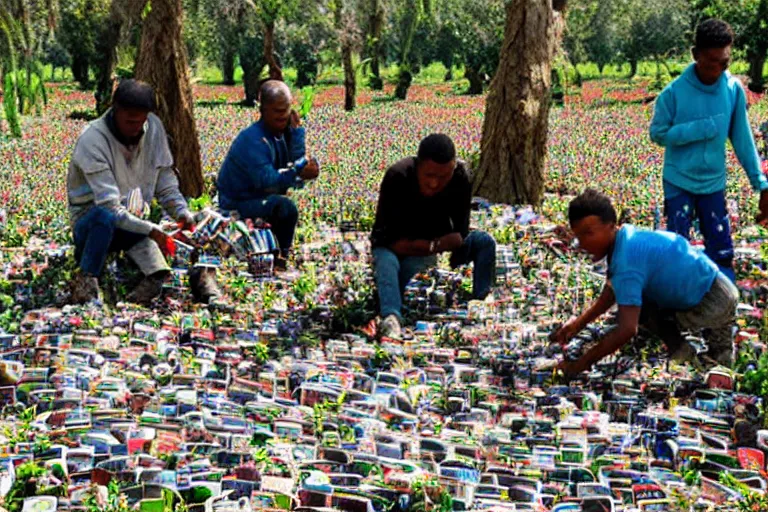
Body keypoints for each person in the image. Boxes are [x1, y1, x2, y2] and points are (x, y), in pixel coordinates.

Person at [553, 189, 738, 377]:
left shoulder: (627, 261)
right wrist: (578, 324)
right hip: (718, 286)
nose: (583, 243)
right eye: (579, 236)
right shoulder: (627, 238)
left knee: (636, 312)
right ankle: (695, 355)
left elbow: (626, 330)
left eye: (588, 233)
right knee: (720, 366)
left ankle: (683, 350)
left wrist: (579, 366)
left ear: (610, 226)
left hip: (710, 302)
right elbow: (612, 291)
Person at [68, 79, 219, 305]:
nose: (135, 127)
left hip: (131, 219)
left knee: (149, 228)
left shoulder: (154, 128)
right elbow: (109, 206)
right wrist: (152, 230)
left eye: (140, 121)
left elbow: (164, 179)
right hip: (91, 225)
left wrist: (181, 212)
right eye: (129, 121)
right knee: (105, 217)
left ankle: (154, 279)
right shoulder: (92, 139)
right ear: (114, 110)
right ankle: (87, 280)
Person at [650, 18, 768, 283]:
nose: (717, 69)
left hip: (713, 183)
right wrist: (697, 129)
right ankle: (679, 306)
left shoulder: (732, 89)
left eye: (724, 63)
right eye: (711, 61)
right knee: (678, 249)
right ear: (696, 55)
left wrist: (761, 183)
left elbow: (742, 139)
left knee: (722, 249)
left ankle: (720, 309)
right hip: (678, 180)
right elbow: (657, 133)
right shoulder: (674, 93)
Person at [370, 134, 496, 338]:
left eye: (443, 177)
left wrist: (444, 247)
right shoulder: (398, 176)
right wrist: (432, 246)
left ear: (453, 168)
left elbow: (460, 233)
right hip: (401, 248)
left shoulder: (460, 176)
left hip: (435, 244)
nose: (434, 184)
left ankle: (480, 303)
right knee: (387, 262)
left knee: (484, 242)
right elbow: (385, 240)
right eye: (429, 175)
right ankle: (391, 318)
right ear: (418, 166)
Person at [217, 80, 320, 269]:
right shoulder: (253, 139)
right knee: (284, 207)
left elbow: (295, 165)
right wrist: (298, 171)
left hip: (258, 198)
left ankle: (278, 258)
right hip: (236, 202)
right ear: (263, 110)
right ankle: (279, 262)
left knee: (281, 205)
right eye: (277, 111)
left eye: (286, 110)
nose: (283, 116)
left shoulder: (282, 134)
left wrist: (298, 138)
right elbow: (268, 182)